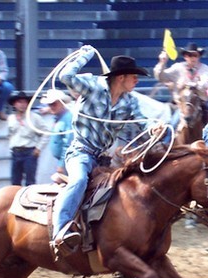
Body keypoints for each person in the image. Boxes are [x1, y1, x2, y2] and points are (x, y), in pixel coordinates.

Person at [52, 45, 152, 250]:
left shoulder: (130, 102)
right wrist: (84, 55)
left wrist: (155, 128)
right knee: (79, 180)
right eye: (134, 76)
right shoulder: (94, 86)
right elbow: (65, 76)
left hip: (105, 160)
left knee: (126, 193)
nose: (137, 80)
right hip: (81, 152)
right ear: (121, 77)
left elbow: (142, 124)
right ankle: (60, 231)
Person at [153, 42, 208, 126]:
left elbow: (207, 83)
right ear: (185, 56)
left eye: (195, 55)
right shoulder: (178, 67)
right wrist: (162, 63)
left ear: (198, 56)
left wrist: (193, 85)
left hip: (200, 104)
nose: (192, 58)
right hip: (181, 105)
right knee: (172, 125)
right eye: (189, 55)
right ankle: (167, 139)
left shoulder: (204, 68)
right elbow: (161, 77)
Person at [7, 91, 50, 186]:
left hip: (29, 152)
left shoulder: (35, 118)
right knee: (15, 181)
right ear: (14, 104)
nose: (22, 105)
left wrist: (39, 148)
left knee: (30, 181)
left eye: (24, 102)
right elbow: (10, 134)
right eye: (19, 102)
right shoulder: (11, 118)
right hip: (16, 152)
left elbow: (45, 132)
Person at [40, 89, 73, 175]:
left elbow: (68, 143)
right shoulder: (59, 118)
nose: (51, 107)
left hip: (68, 161)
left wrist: (61, 164)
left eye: (54, 104)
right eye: (49, 105)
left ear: (62, 103)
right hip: (63, 160)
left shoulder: (68, 118)